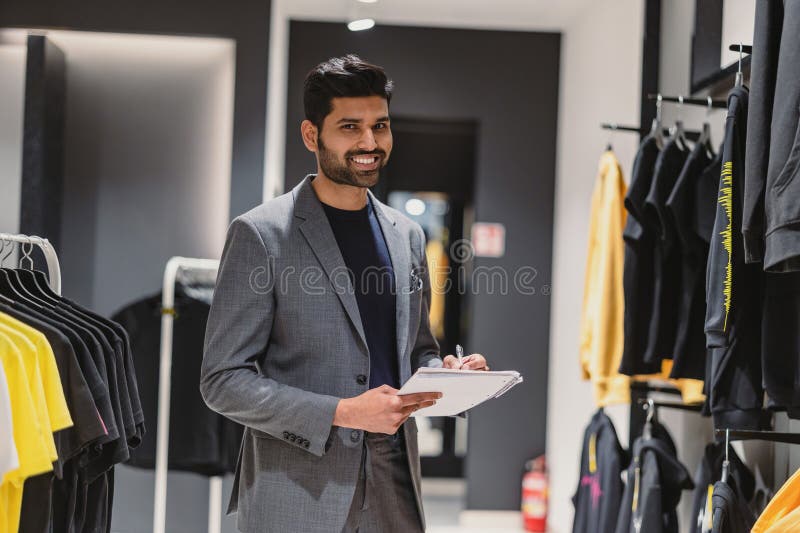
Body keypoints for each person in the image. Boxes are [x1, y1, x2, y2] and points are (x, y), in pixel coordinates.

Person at [200, 54, 489, 533]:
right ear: (312, 135)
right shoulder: (261, 234)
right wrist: (344, 412)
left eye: (380, 125)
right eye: (350, 127)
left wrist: (447, 376)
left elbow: (417, 353)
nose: (369, 142)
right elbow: (222, 381)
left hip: (395, 478)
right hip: (298, 486)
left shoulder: (407, 235)